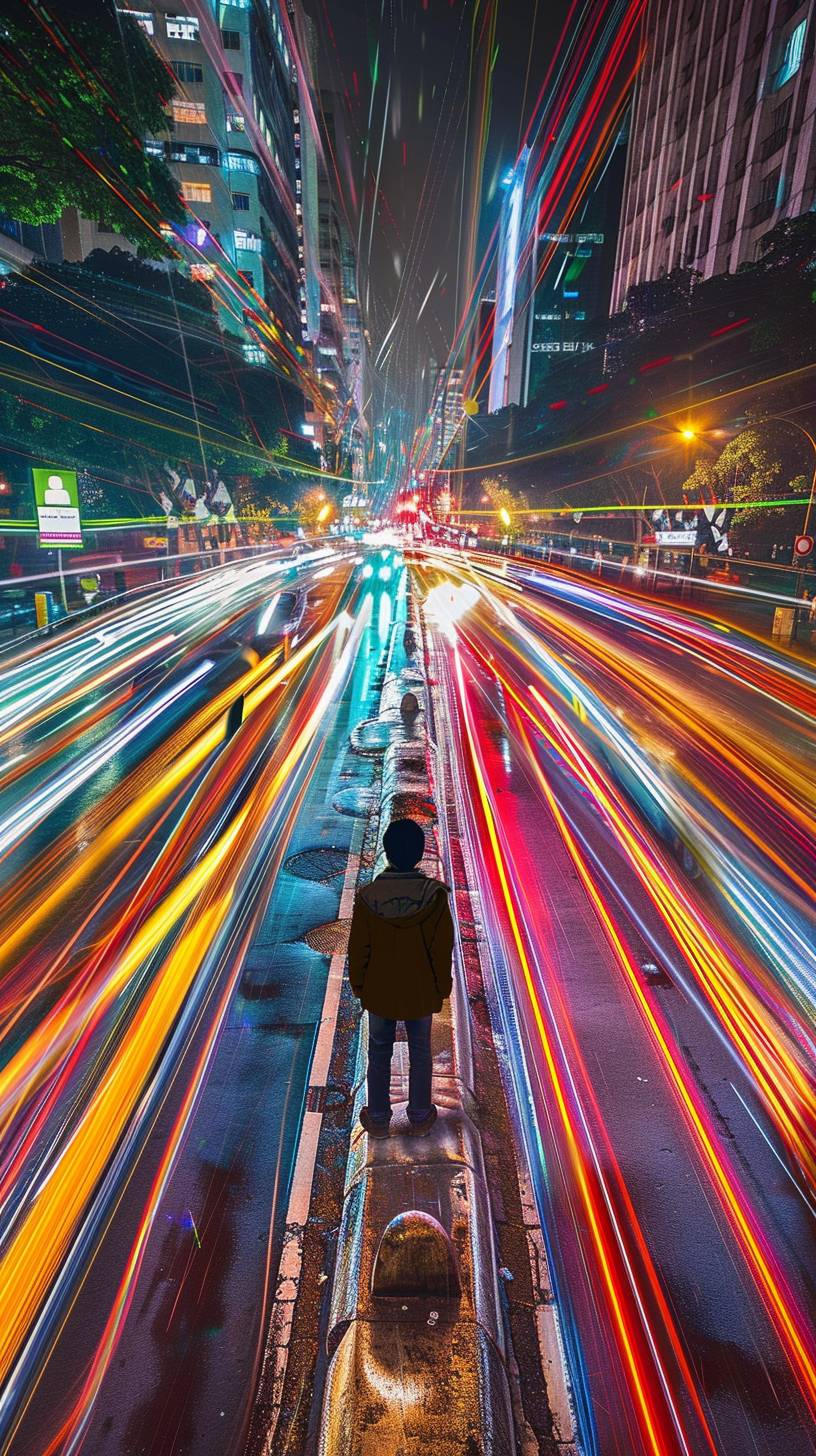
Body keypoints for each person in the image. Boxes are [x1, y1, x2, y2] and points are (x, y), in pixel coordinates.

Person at [347, 817, 454, 1138]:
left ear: (388, 853)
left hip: (380, 991)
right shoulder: (434, 898)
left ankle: (378, 1117)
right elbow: (441, 950)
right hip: (420, 990)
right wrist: (440, 989)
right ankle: (420, 1114)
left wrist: (360, 986)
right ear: (419, 854)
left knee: (379, 1051)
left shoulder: (368, 898)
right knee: (420, 1050)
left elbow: (359, 949)